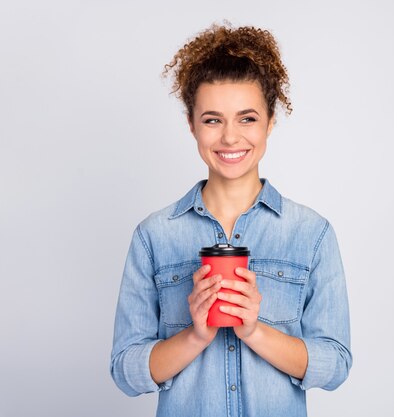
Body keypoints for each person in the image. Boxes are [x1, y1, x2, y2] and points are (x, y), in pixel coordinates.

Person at [110, 23, 352, 417]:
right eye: (212, 119)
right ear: (191, 124)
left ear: (270, 122)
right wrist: (195, 336)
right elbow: (125, 370)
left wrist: (255, 331)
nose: (229, 138)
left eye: (247, 119)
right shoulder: (154, 236)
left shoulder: (311, 234)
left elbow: (336, 363)